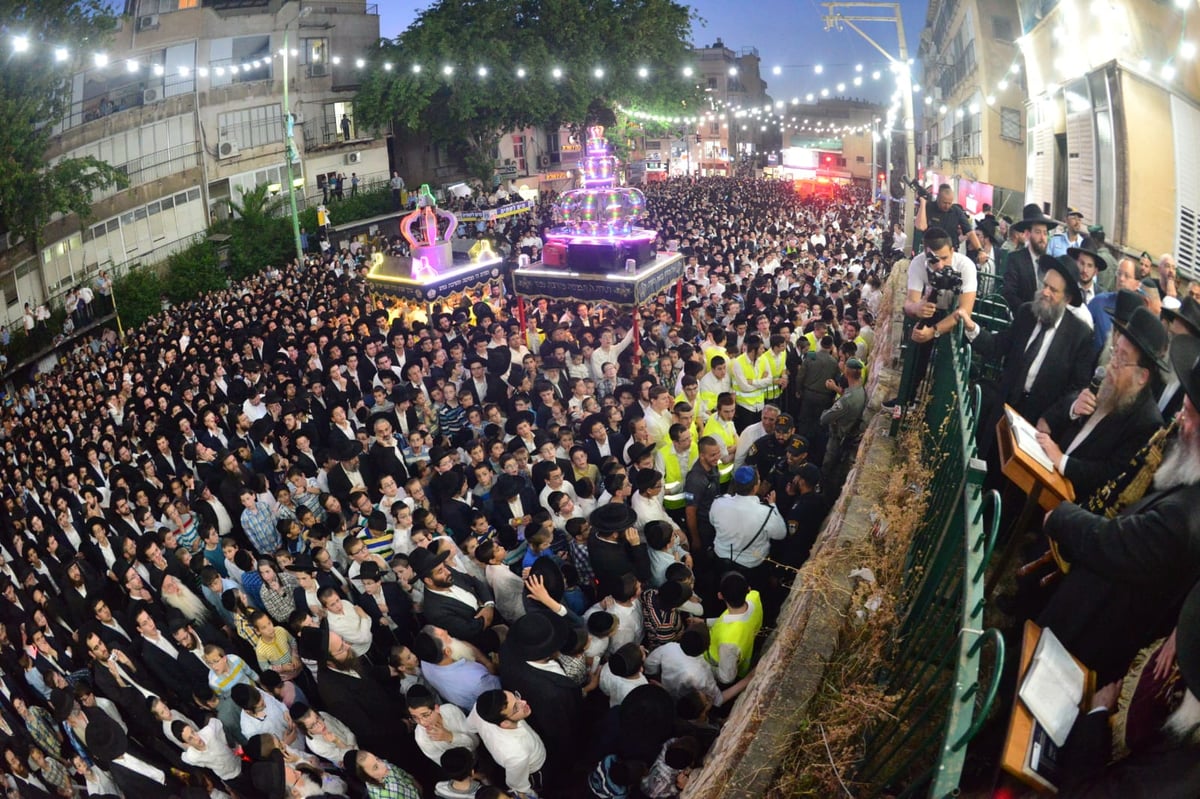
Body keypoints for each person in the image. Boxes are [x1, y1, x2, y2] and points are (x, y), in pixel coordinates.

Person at [1037, 334, 1200, 683]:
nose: (1178, 424)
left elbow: (1117, 540)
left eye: (1186, 414)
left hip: (1097, 628)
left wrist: (1063, 517)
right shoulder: (1188, 480)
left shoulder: (1185, 517)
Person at [469, 689, 547, 799]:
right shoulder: (516, 753)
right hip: (535, 768)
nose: (523, 702)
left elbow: (470, 726)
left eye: (516, 697)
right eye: (516, 707)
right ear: (505, 723)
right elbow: (517, 783)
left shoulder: (481, 708)